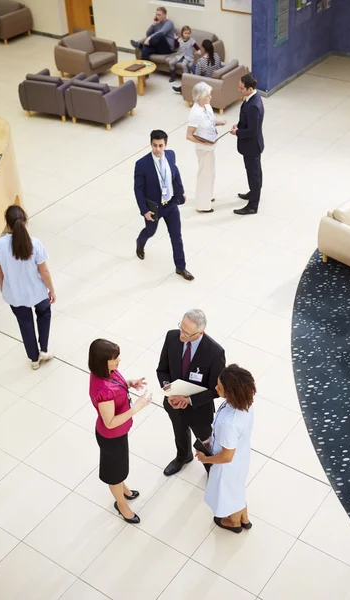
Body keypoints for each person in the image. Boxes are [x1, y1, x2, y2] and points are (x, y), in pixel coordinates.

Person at [89, 338, 152, 524]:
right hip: (111, 436)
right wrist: (137, 407)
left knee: (120, 468)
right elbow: (110, 422)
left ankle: (123, 488)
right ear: (103, 361)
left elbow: (116, 384)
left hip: (119, 434)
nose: (119, 361)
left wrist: (130, 383)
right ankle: (121, 504)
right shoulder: (103, 389)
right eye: (114, 358)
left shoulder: (108, 371)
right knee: (115, 474)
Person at [157, 309, 226, 477]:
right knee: (179, 432)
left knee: (205, 441)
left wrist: (189, 400)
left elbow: (216, 390)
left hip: (199, 409)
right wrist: (170, 392)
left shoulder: (215, 353)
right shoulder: (171, 337)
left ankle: (211, 469)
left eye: (186, 333)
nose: (181, 334)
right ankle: (183, 456)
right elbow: (162, 370)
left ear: (200, 332)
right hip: (173, 403)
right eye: (181, 327)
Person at [0, 205, 55, 369]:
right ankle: (44, 349)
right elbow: (44, 271)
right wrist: (52, 290)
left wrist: (3, 287)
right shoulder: (34, 243)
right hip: (38, 292)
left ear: (7, 224)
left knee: (25, 324)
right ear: (25, 221)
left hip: (14, 294)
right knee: (44, 314)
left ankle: (34, 359)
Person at [196, 364, 255, 534]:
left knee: (230, 495)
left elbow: (226, 457)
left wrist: (206, 459)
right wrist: (210, 440)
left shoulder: (230, 423)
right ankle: (244, 518)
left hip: (228, 466)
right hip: (241, 456)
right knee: (237, 490)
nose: (215, 388)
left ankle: (234, 522)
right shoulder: (246, 402)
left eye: (220, 387)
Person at [134, 129, 194, 281]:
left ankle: (180, 267)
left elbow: (176, 173)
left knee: (176, 236)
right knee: (150, 231)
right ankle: (140, 243)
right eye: (154, 145)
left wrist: (181, 192)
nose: (157, 149)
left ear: (165, 145)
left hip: (171, 204)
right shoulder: (142, 164)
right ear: (151, 144)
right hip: (154, 208)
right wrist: (144, 210)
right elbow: (138, 190)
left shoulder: (171, 155)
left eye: (161, 146)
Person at [186, 82, 226, 212]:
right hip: (204, 149)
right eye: (208, 95)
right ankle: (203, 206)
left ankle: (208, 196)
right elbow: (189, 135)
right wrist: (205, 143)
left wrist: (218, 123)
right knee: (204, 175)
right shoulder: (195, 113)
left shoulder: (207, 106)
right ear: (200, 97)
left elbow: (209, 121)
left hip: (211, 147)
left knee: (211, 174)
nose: (211, 98)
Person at [230, 73, 264, 216]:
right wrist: (238, 126)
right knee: (253, 172)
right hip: (250, 145)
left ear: (250, 89)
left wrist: (237, 133)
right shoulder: (251, 99)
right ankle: (253, 192)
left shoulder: (253, 106)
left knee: (254, 174)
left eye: (242, 88)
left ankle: (253, 205)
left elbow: (252, 131)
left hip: (252, 145)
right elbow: (246, 122)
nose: (239, 90)